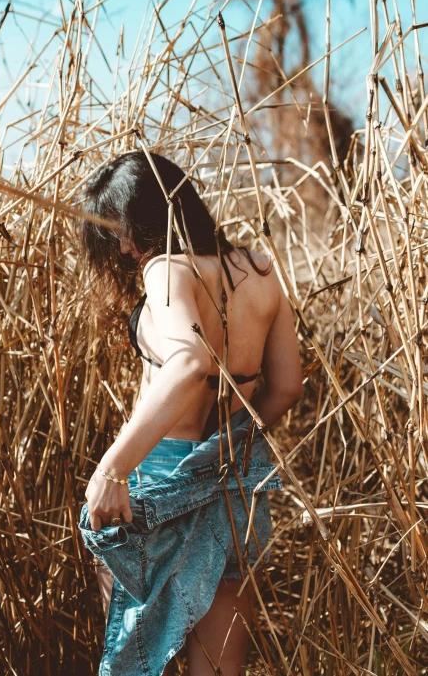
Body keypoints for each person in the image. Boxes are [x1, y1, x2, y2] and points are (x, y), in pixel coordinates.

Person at [75, 150, 303, 676]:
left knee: (132, 654)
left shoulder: (167, 268)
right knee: (221, 665)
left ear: (138, 223)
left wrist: (114, 467)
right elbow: (288, 386)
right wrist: (231, 444)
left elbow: (189, 361)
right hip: (237, 477)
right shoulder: (260, 269)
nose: (123, 248)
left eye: (119, 233)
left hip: (159, 473)